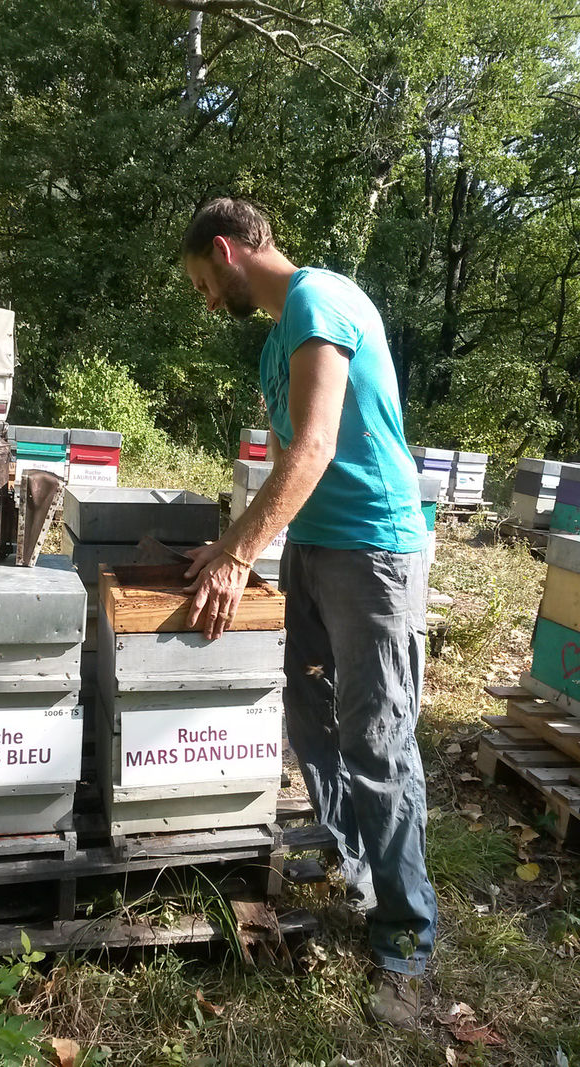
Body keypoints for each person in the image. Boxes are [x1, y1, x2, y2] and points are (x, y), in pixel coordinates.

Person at [181, 197, 437, 1029]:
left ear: (226, 250)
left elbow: (318, 445)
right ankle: (352, 859)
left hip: (375, 550)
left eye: (201, 283)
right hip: (313, 548)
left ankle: (404, 932)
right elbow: (288, 468)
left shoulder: (317, 300)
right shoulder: (272, 344)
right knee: (306, 712)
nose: (205, 302)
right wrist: (228, 542)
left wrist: (237, 555)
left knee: (377, 735)